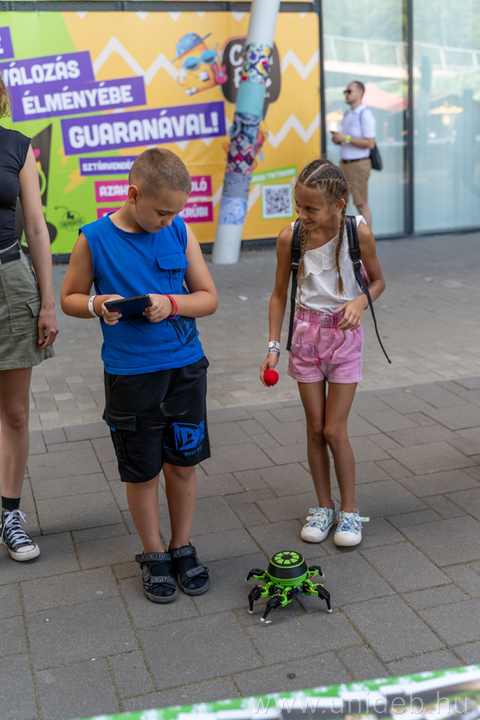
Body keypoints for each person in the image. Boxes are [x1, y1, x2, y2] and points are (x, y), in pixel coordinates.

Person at [61, 148, 217, 603]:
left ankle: (181, 546)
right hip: (130, 377)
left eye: (176, 213)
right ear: (133, 195)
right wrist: (96, 305)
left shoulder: (179, 230)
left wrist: (173, 303)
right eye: (162, 212)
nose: (169, 221)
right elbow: (70, 297)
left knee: (183, 464)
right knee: (142, 471)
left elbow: (207, 297)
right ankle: (153, 553)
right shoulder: (93, 238)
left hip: (185, 370)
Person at [260, 158, 386, 547]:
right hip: (305, 338)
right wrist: (273, 346)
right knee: (315, 428)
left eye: (311, 208)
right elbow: (279, 295)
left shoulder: (358, 233)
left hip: (344, 339)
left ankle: (349, 511)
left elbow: (379, 281)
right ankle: (323, 507)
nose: (303, 215)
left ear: (338, 204)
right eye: (299, 206)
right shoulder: (291, 237)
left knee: (334, 429)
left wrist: (360, 301)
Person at [0, 72, 59, 562]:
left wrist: (48, 301)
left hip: (10, 281)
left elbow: (37, 229)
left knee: (15, 412)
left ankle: (10, 516)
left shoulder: (17, 146)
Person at [331, 81, 376, 228]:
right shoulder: (347, 114)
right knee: (338, 202)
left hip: (358, 165)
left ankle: (367, 238)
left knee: (361, 204)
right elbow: (348, 139)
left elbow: (370, 143)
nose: (346, 94)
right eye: (345, 91)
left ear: (359, 93)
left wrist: (346, 138)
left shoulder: (365, 114)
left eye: (349, 91)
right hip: (345, 164)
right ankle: (341, 236)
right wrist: (339, 139)